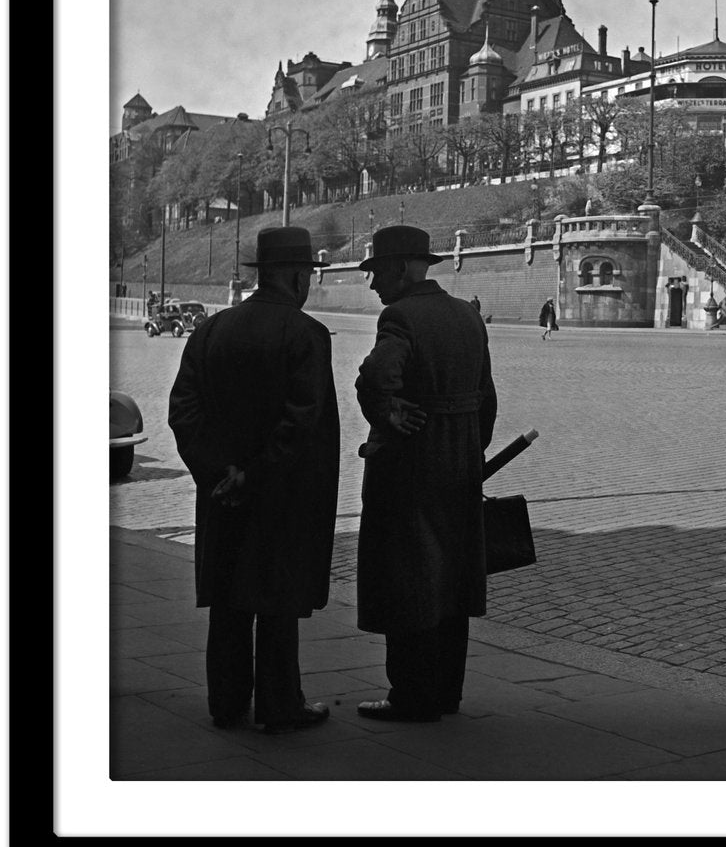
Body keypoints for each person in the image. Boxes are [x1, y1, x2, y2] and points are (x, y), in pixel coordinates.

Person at [167, 226, 340, 735]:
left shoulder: (211, 331)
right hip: (282, 494)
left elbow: (184, 410)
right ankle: (280, 703)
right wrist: (255, 473)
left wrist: (218, 471)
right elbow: (301, 421)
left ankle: (226, 700)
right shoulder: (306, 335)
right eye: (307, 274)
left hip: (222, 494)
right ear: (292, 276)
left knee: (228, 597)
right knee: (278, 600)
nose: (308, 283)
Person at [354, 225, 498, 722]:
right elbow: (487, 397)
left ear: (397, 269)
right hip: (459, 463)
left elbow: (376, 377)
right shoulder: (467, 315)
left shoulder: (399, 316)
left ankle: (410, 694)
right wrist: (469, 449)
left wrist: (387, 413)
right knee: (453, 579)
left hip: (411, 464)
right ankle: (447, 691)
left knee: (408, 576)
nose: (373, 285)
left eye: (376, 273)